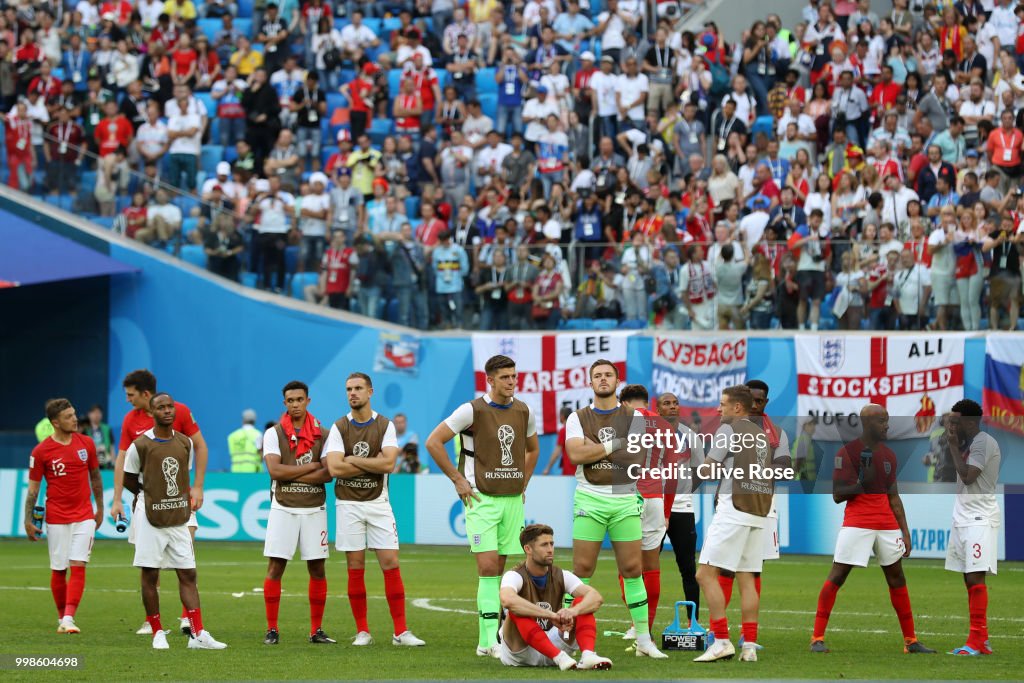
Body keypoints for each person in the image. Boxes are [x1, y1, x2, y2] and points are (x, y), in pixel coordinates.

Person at [425, 354, 540, 657]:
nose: (511, 382)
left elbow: (532, 450)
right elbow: (433, 442)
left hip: (512, 500)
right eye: (505, 377)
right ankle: (487, 640)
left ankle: (494, 636)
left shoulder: (524, 411)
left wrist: (523, 483)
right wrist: (457, 480)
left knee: (501, 570)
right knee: (488, 568)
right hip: (481, 498)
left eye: (514, 376)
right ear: (490, 380)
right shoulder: (471, 410)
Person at [810, 404, 934, 655]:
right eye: (882, 421)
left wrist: (905, 531)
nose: (887, 425)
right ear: (867, 424)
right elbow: (837, 495)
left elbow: (894, 496)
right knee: (838, 576)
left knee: (897, 578)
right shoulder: (848, 453)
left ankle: (911, 641)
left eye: (887, 420)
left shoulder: (889, 455)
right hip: (857, 522)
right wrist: (861, 483)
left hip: (887, 525)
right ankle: (817, 638)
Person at [564, 359, 667, 659]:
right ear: (590, 382)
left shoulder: (634, 416)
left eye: (608, 374)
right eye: (597, 376)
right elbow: (574, 454)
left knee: (633, 569)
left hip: (624, 498)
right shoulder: (577, 417)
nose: (603, 379)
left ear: (617, 380)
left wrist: (592, 447)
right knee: (582, 571)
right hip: (590, 498)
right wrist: (615, 445)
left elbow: (636, 460)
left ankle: (644, 641)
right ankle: (569, 636)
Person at [322, 373, 425, 647]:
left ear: (370, 392)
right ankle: (363, 631)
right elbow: (334, 468)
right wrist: (371, 461)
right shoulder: (339, 426)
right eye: (348, 389)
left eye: (358, 388)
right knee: (355, 567)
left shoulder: (384, 425)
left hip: (379, 503)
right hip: (348, 504)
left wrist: (352, 459)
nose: (352, 393)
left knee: (390, 563)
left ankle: (400, 632)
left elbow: (389, 464)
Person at [121, 393, 227, 650]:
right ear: (152, 411)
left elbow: (181, 477)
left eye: (170, 407)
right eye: (161, 407)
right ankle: (157, 631)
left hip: (179, 515)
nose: (167, 411)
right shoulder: (140, 445)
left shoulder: (185, 443)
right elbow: (129, 480)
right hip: (150, 516)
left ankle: (198, 634)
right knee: (150, 573)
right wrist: (149, 496)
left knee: (188, 573)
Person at [694, 385, 790, 663]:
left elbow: (710, 468)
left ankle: (721, 640)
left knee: (704, 575)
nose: (718, 409)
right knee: (747, 579)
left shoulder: (729, 430)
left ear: (737, 407)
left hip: (733, 508)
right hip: (758, 512)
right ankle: (749, 646)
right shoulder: (762, 435)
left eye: (722, 404)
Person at [110, 369, 208, 636]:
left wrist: (197, 486)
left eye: (131, 395)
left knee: (185, 561)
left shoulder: (181, 411)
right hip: (149, 504)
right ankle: (151, 622)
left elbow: (199, 446)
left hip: (179, 502)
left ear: (145, 394)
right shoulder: (131, 421)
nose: (128, 400)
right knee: (151, 565)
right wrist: (120, 498)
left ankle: (188, 619)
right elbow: (123, 460)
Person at [261, 381, 335, 645]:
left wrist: (294, 472)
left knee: (317, 568)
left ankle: (316, 630)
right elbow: (275, 472)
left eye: (299, 400)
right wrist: (312, 466)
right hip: (283, 507)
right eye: (290, 400)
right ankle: (272, 629)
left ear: (308, 401)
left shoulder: (324, 434)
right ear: (284, 403)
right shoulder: (274, 433)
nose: (295, 405)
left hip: (315, 508)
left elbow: (328, 474)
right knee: (276, 567)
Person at [25, 398, 103, 634]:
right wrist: (27, 520)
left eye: (74, 414)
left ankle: (69, 617)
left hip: (84, 515)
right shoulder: (41, 452)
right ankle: (62, 618)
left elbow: (96, 477)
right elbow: (33, 489)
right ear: (55, 423)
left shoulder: (86, 443)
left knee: (78, 564)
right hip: (57, 517)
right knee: (59, 569)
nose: (74, 419)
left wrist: (99, 507)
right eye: (69, 417)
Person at [498, 524, 613, 671]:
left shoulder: (561, 575)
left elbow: (595, 597)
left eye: (551, 543)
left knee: (582, 601)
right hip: (521, 652)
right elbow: (507, 600)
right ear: (528, 549)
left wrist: (573, 611)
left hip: (554, 641)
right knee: (516, 610)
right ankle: (559, 657)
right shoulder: (514, 575)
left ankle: (588, 656)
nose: (550, 549)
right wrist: (551, 615)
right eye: (544, 545)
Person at [944, 399, 1001, 656]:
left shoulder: (983, 443)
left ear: (969, 422)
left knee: (976, 577)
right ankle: (982, 639)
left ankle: (976, 641)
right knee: (969, 578)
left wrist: (953, 447)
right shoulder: (972, 444)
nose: (952, 427)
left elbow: (968, 477)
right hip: (963, 518)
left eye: (956, 422)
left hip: (980, 518)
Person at [541, 407, 573, 476]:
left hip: (569, 471)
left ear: (562, 416)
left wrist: (547, 468)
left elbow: (557, 453)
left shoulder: (563, 431)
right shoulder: (578, 430)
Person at [82, 404, 114, 469]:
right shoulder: (85, 430)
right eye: (94, 412)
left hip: (106, 463)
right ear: (89, 414)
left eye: (98, 412)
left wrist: (113, 461)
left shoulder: (107, 428)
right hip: (91, 464)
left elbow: (111, 447)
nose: (96, 415)